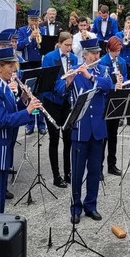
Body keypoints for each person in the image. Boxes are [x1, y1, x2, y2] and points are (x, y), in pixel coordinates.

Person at [0, 47, 42, 214]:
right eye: (10, 66)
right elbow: (2, 120)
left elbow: (11, 111)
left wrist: (23, 101)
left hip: (3, 149)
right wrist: (28, 111)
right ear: (0, 67)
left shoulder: (4, 86)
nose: (14, 70)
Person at [66, 38, 116, 224]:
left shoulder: (102, 71)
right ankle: (75, 207)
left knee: (95, 170)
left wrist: (90, 76)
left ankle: (91, 206)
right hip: (80, 129)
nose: (96, 56)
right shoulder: (75, 71)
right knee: (77, 172)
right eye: (93, 53)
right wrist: (68, 81)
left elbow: (108, 86)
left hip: (98, 130)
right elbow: (59, 92)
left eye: (97, 53)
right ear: (85, 55)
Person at [41, 32, 77, 188]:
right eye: (66, 45)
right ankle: (56, 176)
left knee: (69, 138)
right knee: (54, 139)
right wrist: (66, 83)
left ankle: (68, 172)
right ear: (59, 43)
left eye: (70, 45)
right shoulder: (49, 58)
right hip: (52, 101)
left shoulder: (74, 58)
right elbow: (49, 81)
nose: (69, 48)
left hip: (66, 102)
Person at [99, 36, 128, 177]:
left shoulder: (122, 61)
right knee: (103, 136)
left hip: (116, 102)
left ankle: (112, 164)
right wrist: (112, 85)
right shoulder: (103, 62)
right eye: (115, 51)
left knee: (113, 135)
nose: (117, 54)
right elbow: (101, 82)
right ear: (109, 49)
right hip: (105, 101)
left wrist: (124, 82)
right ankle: (99, 166)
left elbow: (127, 77)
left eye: (119, 51)